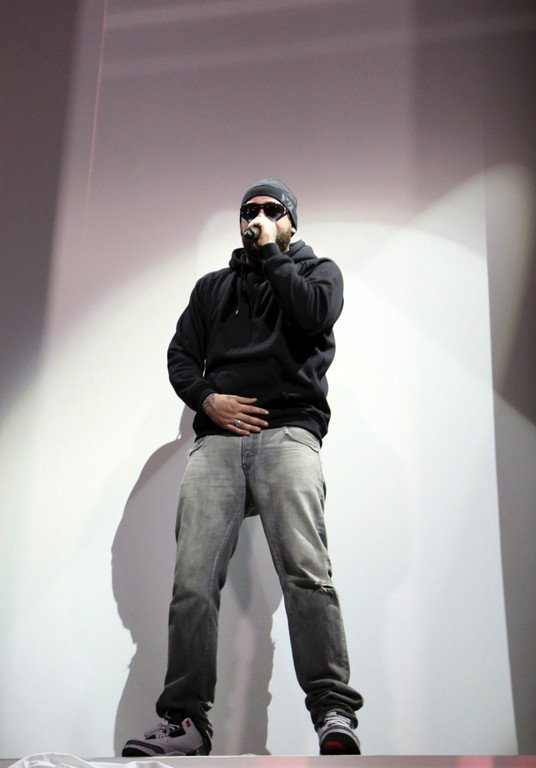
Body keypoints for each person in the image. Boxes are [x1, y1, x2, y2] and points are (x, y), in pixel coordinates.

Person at [122, 178, 363, 757]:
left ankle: (333, 710)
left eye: (270, 209)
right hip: (219, 441)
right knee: (192, 581)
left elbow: (311, 317)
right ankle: (185, 722)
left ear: (291, 221)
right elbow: (181, 356)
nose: (255, 217)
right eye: (247, 210)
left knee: (306, 572)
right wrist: (209, 401)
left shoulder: (318, 273)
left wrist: (276, 256)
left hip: (289, 432)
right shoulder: (213, 288)